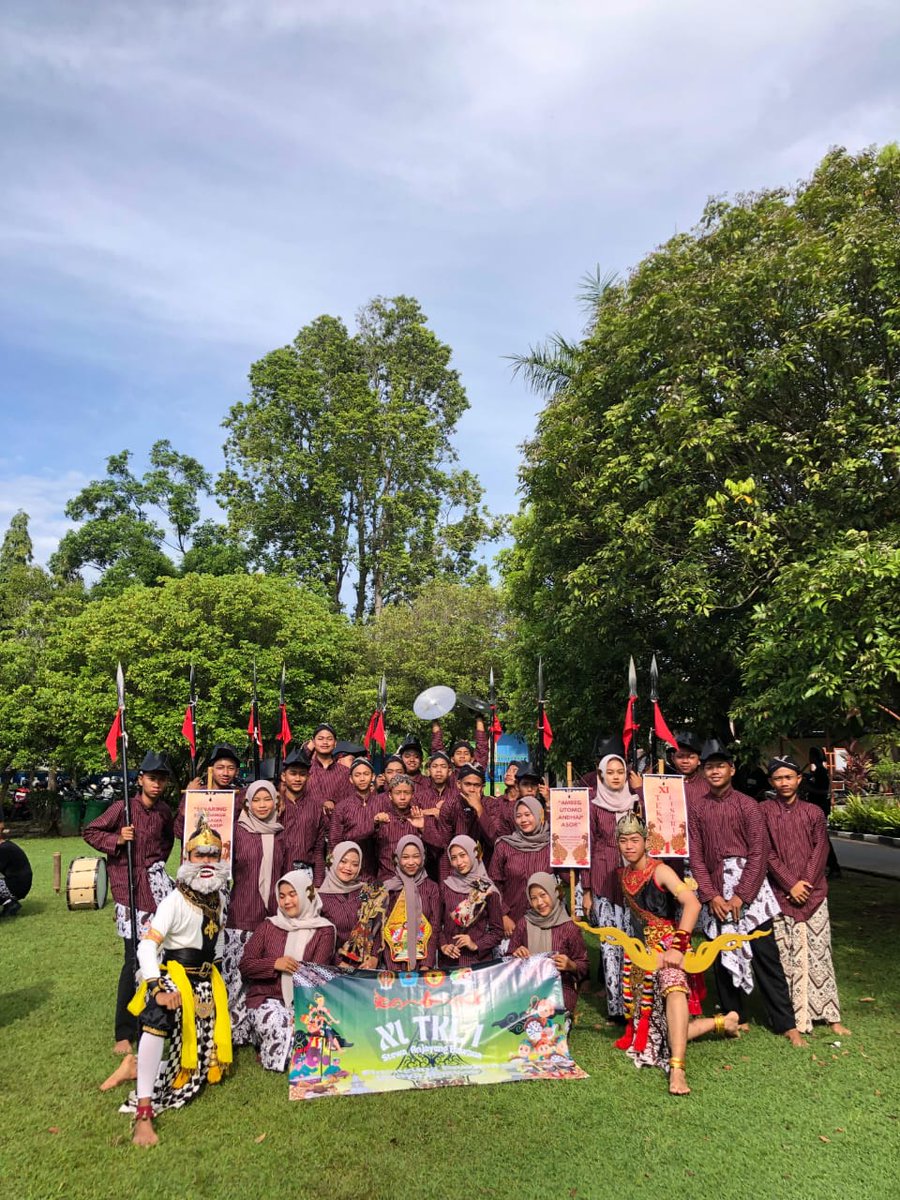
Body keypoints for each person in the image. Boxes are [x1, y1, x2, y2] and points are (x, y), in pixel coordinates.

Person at [124, 816, 232, 1146]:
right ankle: (144, 1111)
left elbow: (217, 944)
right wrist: (156, 988)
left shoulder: (218, 897)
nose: (207, 862)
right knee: (157, 1016)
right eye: (200, 855)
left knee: (201, 1072)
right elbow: (147, 945)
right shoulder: (175, 900)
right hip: (173, 976)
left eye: (213, 855)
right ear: (187, 858)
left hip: (206, 982)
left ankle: (136, 1065)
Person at [688, 740, 804, 1045]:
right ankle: (731, 1015)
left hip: (748, 889)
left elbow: (759, 852)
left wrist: (743, 895)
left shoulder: (748, 806)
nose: (714, 772)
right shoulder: (698, 808)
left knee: (766, 956)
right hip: (714, 887)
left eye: (720, 766)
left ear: (731, 769)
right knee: (719, 953)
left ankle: (785, 1022)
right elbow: (696, 856)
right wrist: (711, 896)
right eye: (709, 767)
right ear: (704, 771)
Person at [615, 812, 739, 1095]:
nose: (629, 846)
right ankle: (722, 1022)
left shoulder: (661, 871)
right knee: (657, 1037)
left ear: (646, 842)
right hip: (643, 954)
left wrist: (677, 946)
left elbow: (692, 904)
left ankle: (677, 1070)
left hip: (671, 947)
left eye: (635, 840)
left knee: (673, 988)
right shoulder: (623, 874)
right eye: (623, 841)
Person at [83, 751, 175, 1061]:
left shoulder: (164, 811)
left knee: (159, 956)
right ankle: (124, 1030)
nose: (157, 784)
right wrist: (118, 840)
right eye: (152, 778)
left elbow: (166, 842)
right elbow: (91, 831)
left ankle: (155, 1017)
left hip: (156, 889)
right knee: (132, 960)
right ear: (140, 780)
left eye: (161, 779)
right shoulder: (123, 808)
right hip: (130, 891)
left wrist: (157, 864)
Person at [761, 757, 850, 1036]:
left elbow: (820, 849)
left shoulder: (813, 813)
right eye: (778, 778)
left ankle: (830, 1015)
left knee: (820, 952)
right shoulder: (763, 812)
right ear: (771, 782)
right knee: (786, 956)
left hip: (813, 894)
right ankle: (795, 1019)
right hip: (780, 895)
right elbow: (766, 853)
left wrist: (805, 884)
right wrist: (790, 884)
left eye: (789, 777)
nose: (784, 783)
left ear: (799, 779)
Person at [240, 870, 336, 1071]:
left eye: (293, 894)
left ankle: (277, 1050)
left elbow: (315, 976)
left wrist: (299, 1011)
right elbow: (246, 964)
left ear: (305, 894)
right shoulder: (269, 926)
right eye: (282, 896)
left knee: (306, 1030)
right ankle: (279, 1052)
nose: (287, 902)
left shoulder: (324, 930)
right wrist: (274, 964)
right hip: (267, 998)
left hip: (304, 1001)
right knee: (278, 1024)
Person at [224, 780, 286, 1046]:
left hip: (271, 917)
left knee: (263, 976)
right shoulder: (237, 832)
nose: (262, 805)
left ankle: (259, 1032)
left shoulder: (281, 834)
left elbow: (285, 877)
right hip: (241, 912)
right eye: (256, 800)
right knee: (236, 977)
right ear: (247, 803)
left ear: (275, 802)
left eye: (267, 800)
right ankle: (234, 1032)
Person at [580, 754, 636, 1019]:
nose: (616, 776)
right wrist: (588, 891)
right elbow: (587, 847)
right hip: (603, 878)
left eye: (620, 772)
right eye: (610, 772)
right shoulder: (594, 806)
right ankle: (616, 1007)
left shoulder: (635, 804)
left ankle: (635, 1003)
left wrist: (640, 791)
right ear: (601, 776)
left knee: (633, 941)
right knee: (610, 942)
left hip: (633, 880)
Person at [508, 872, 588, 1018]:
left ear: (553, 892)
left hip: (559, 988)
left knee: (550, 1018)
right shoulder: (524, 924)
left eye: (543, 895)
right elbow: (508, 959)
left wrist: (570, 965)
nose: (539, 902)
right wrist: (516, 954)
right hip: (528, 987)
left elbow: (583, 964)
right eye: (533, 898)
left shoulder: (569, 927)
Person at [491, 797, 553, 937]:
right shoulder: (504, 846)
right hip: (512, 920)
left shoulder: (551, 846)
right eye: (518, 816)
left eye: (528, 814)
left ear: (539, 815)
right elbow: (493, 884)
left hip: (545, 920)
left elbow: (566, 879)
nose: (523, 820)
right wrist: (503, 915)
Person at [379, 834, 443, 971]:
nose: (411, 862)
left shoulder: (432, 888)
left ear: (423, 857)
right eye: (405, 857)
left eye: (416, 856)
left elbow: (435, 926)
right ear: (397, 859)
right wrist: (392, 966)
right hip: (393, 962)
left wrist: (427, 964)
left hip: (423, 962)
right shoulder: (388, 887)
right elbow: (383, 927)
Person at [440, 835, 503, 966]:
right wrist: (444, 945)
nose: (459, 862)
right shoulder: (446, 886)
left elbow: (497, 932)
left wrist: (475, 944)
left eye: (463, 855)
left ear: (473, 853)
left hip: (478, 964)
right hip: (449, 964)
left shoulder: (487, 889)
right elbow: (436, 924)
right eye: (454, 858)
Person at [175, 743, 242, 841]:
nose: (225, 773)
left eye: (231, 768)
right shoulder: (196, 793)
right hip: (198, 852)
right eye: (220, 768)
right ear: (211, 769)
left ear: (236, 771)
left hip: (226, 852)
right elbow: (178, 832)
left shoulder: (238, 796)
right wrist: (189, 798)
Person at [278, 746, 326, 881]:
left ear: (308, 777)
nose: (297, 778)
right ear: (283, 776)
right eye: (293, 773)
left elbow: (319, 848)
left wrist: (318, 882)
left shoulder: (316, 808)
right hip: (277, 871)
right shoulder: (274, 806)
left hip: (305, 873)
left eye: (302, 774)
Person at [329, 758, 380, 880]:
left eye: (366, 774)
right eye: (357, 775)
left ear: (373, 777)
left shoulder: (382, 803)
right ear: (351, 779)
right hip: (349, 871)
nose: (362, 779)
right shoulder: (342, 807)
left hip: (377, 871)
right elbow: (334, 842)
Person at [318, 841, 367, 950]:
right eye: (343, 861)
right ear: (333, 861)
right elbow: (319, 940)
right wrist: (339, 963)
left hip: (366, 962)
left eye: (355, 864)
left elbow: (374, 927)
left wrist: (373, 957)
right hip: (334, 963)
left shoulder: (364, 892)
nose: (348, 868)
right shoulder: (320, 899)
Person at [804, 747, 841, 878]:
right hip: (814, 808)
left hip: (819, 809)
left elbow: (824, 791)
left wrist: (808, 787)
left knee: (821, 839)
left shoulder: (821, 772)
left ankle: (833, 866)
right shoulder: (815, 772)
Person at [304, 723, 355, 811]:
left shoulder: (345, 772)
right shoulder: (305, 770)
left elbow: (351, 802)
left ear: (335, 743)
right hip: (308, 821)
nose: (325, 742)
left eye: (329, 739)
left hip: (336, 822)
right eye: (320, 739)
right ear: (313, 742)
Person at [0, 827, 32, 916]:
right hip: (20, 883)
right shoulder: (7, 845)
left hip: (17, 886)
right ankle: (8, 903)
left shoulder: (3, 849)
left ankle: (10, 903)